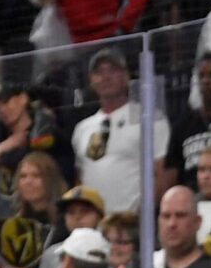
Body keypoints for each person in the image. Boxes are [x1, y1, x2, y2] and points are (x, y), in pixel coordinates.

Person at [70, 46, 163, 217]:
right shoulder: (82, 128)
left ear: (127, 76)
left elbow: (160, 171)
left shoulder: (148, 117)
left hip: (133, 222)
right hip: (95, 224)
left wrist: (145, 216)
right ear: (91, 80)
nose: (106, 76)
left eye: (113, 70)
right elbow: (80, 179)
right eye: (99, 72)